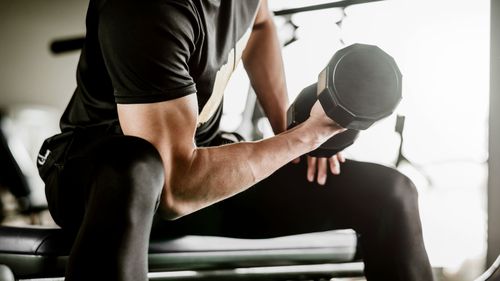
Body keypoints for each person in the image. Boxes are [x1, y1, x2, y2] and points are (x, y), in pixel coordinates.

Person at [36, 0, 434, 280]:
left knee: (391, 194)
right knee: (136, 166)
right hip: (99, 183)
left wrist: (287, 127)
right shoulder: (146, 10)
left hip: (199, 174)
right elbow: (176, 188)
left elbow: (261, 24)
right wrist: (304, 138)